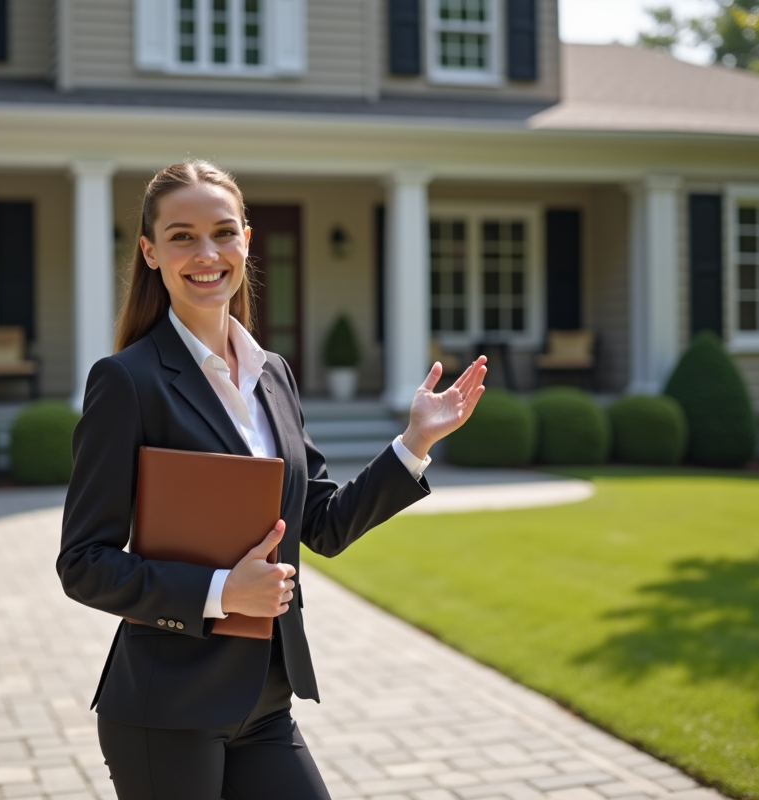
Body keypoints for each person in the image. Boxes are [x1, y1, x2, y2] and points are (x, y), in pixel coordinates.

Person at [57, 160, 487, 800]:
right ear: (150, 252)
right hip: (166, 707)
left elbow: (324, 524)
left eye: (223, 232)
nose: (207, 253)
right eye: (182, 236)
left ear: (246, 241)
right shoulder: (127, 382)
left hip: (264, 702)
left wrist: (415, 442)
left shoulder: (273, 375)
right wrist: (221, 591)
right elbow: (84, 564)